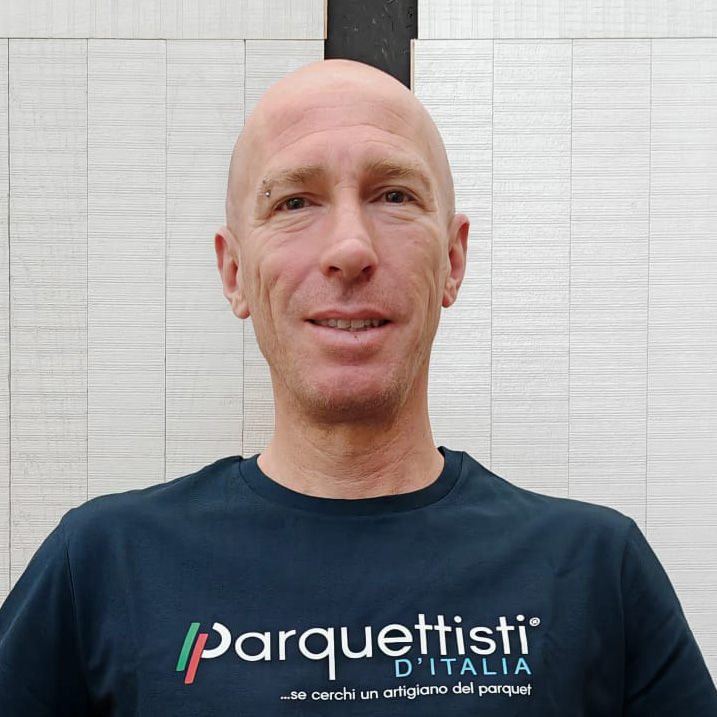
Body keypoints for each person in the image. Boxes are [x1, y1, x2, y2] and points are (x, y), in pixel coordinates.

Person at [0, 59, 715, 716]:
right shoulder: (104, 563)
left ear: (453, 259)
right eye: (293, 202)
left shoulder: (594, 568)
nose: (349, 248)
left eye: (394, 195)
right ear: (234, 272)